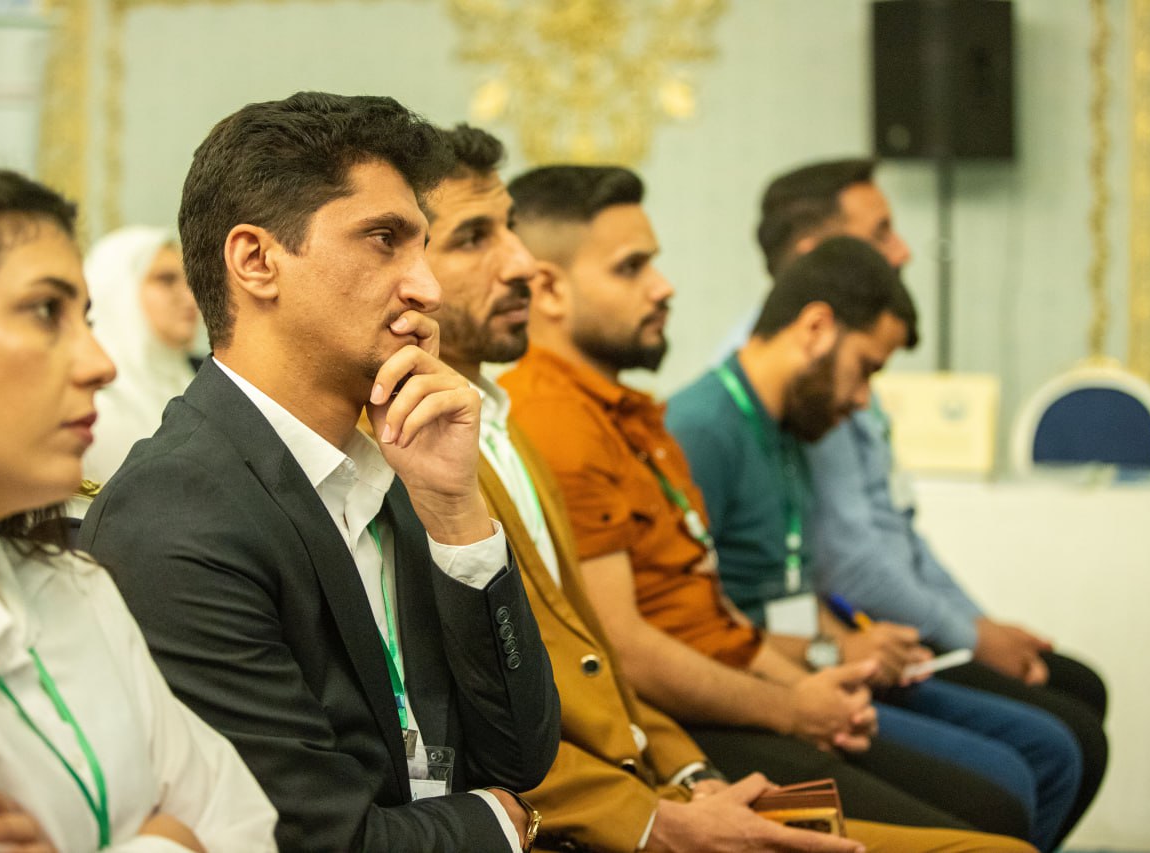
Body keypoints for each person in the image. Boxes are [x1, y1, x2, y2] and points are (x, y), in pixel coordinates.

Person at [426, 124, 1035, 853]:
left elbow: (676, 624)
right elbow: (622, 653)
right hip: (651, 753)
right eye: (632, 268)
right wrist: (784, 707)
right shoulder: (551, 421)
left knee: (1007, 799)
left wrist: (713, 746)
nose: (665, 286)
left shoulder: (549, 419)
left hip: (673, 739)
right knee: (998, 815)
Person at [80, 93, 559, 852]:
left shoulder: (394, 471)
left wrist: (454, 507)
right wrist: (502, 821)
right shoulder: (177, 511)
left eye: (423, 246)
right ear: (256, 260)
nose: (426, 288)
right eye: (383, 239)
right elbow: (319, 839)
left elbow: (521, 752)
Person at [667, 237, 1083, 851]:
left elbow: (789, 581)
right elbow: (689, 621)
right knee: (1004, 788)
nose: (863, 398)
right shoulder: (700, 429)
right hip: (746, 693)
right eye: (866, 368)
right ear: (815, 327)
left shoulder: (789, 424)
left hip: (807, 662)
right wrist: (829, 651)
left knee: (1043, 756)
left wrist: (852, 637)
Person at [0, 151, 277, 850]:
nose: (100, 363)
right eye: (44, 311)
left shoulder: (76, 588)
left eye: (85, 316)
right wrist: (170, 838)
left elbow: (246, 825)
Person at [755, 157, 1108, 839]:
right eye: (880, 232)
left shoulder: (842, 356)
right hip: (833, 641)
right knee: (1043, 753)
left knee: (1072, 705)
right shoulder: (795, 373)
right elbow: (847, 561)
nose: (904, 249)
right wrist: (970, 638)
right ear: (817, 256)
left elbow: (898, 529)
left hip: (854, 636)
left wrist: (980, 627)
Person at [81, 225, 201, 484]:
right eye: (167, 280)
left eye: (190, 280)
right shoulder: (93, 400)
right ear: (118, 289)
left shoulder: (199, 377)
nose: (191, 298)